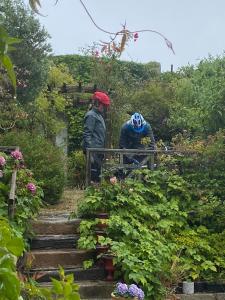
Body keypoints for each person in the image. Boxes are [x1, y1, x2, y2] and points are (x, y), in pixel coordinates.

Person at [83, 91, 111, 183]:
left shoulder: (98, 115)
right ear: (98, 103)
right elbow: (87, 134)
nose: (104, 107)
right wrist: (90, 153)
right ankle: (91, 195)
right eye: (103, 105)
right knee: (94, 176)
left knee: (98, 175)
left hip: (98, 150)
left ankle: (96, 194)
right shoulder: (91, 115)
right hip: (93, 151)